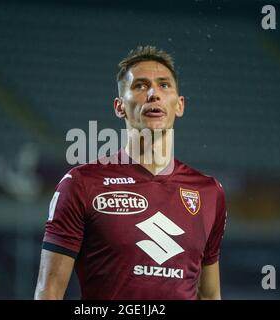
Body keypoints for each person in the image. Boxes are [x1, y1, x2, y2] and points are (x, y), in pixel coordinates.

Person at [34, 45, 227, 300]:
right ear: (119, 106)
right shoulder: (81, 184)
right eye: (140, 86)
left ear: (179, 105)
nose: (153, 94)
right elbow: (49, 292)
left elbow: (210, 295)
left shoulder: (210, 192)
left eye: (164, 85)